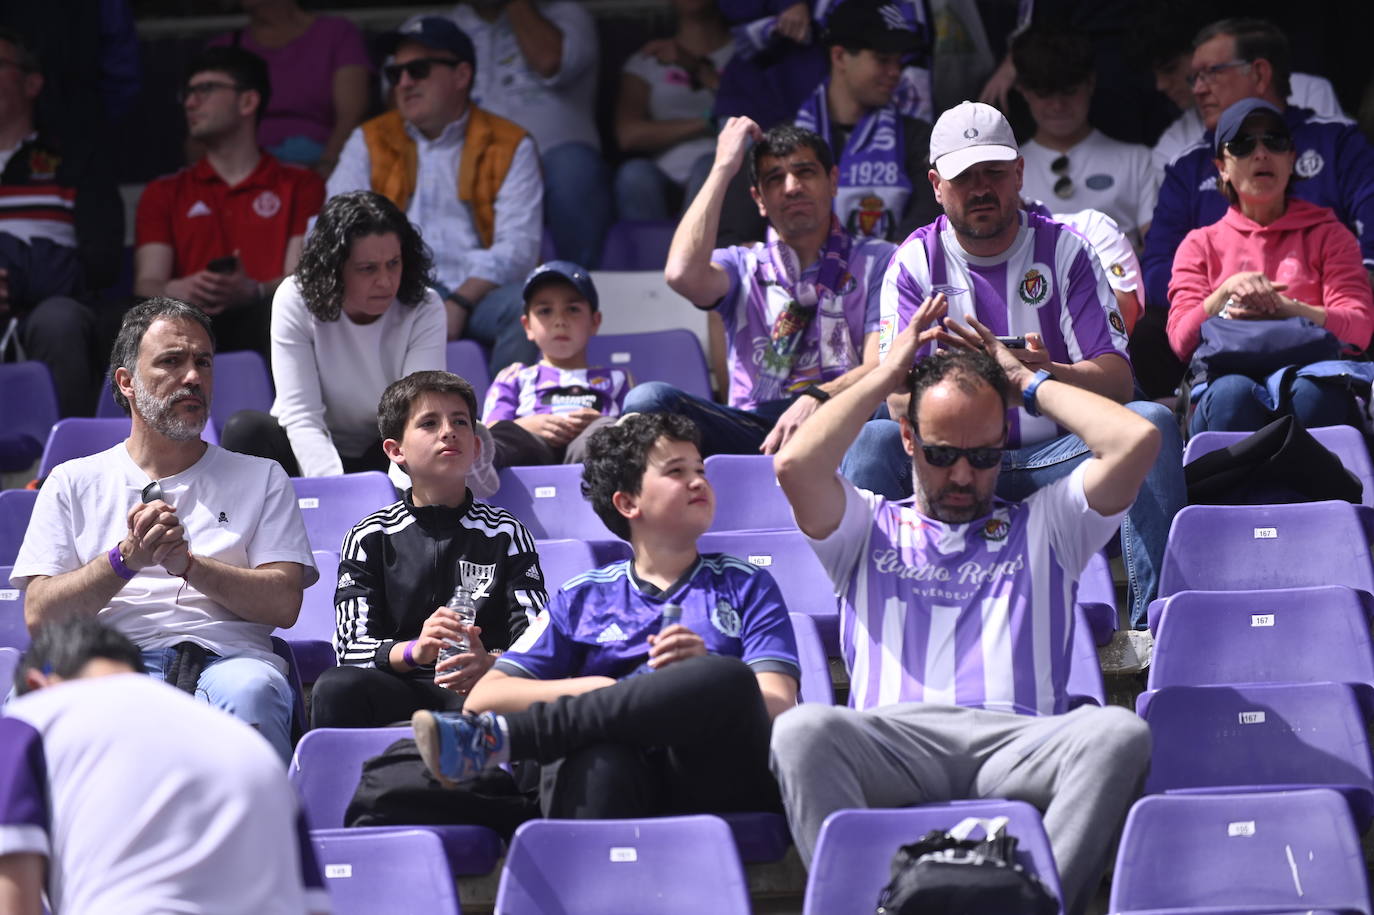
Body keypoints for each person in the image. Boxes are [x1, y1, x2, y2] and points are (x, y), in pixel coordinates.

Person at [769, 303, 1157, 915]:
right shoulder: (866, 525)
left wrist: (1029, 382)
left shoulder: (1050, 521)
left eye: (983, 457)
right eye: (942, 453)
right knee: (801, 731)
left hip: (1020, 742)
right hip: (894, 742)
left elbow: (1137, 438)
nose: (962, 475)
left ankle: (1038, 905)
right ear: (908, 440)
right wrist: (884, 372)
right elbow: (794, 464)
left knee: (1118, 733)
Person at [842, 101, 1184, 632]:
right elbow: (894, 400)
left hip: (1059, 459)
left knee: (1153, 422)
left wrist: (1038, 377)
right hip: (955, 464)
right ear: (936, 184)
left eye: (994, 173)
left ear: (1019, 173)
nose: (981, 188)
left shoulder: (1068, 251)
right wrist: (971, 381)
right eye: (964, 177)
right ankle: (868, 633)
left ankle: (1157, 634)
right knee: (872, 442)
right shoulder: (913, 262)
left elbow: (1118, 381)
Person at [410, 411, 799, 820]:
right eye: (676, 471)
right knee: (603, 756)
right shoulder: (584, 596)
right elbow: (489, 696)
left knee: (725, 676)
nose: (698, 480)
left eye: (699, 469)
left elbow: (775, 705)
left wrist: (694, 680)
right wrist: (607, 689)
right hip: (616, 779)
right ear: (628, 502)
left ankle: (503, 740)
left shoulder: (747, 584)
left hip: (713, 779)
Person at [9, 298, 318, 762]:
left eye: (203, 362)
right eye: (172, 361)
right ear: (127, 382)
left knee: (255, 691)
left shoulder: (263, 476)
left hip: (227, 661)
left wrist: (189, 566)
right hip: (105, 659)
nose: (192, 376)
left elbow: (284, 603)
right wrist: (124, 560)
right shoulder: (72, 481)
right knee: (30, 704)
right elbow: (40, 617)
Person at [0, 619, 329, 915]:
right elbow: (313, 905)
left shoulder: (31, 720)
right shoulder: (256, 751)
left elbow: (15, 900)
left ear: (36, 686)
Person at [634, 120, 894, 457]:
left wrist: (816, 398)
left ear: (832, 181)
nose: (792, 187)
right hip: (755, 430)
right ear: (758, 198)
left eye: (805, 172)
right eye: (775, 179)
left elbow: (881, 366)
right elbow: (681, 274)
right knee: (649, 401)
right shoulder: (742, 266)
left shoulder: (879, 260)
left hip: (844, 417)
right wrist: (723, 167)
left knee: (888, 417)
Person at [310, 370, 546, 729]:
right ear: (395, 451)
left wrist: (490, 662)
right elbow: (350, 649)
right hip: (398, 686)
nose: (448, 431)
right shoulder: (369, 535)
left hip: (480, 687)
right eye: (429, 423)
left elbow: (536, 643)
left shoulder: (507, 533)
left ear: (477, 446)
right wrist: (414, 650)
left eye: (460, 421)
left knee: (524, 696)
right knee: (335, 687)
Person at [327, 16, 541, 374]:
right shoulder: (368, 140)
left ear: (461, 76)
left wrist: (458, 301)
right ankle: (395, 426)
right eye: (396, 74)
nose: (404, 83)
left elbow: (519, 247)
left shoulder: (511, 143)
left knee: (530, 309)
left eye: (419, 70)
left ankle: (506, 425)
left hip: (479, 294)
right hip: (397, 290)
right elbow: (336, 226)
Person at [1142, 18, 1374, 342]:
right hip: (1222, 334)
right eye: (1241, 146)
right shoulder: (1187, 166)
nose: (1197, 88)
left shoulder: (1336, 141)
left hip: (1324, 331)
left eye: (1210, 73)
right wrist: (1233, 296)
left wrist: (1303, 305)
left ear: (1260, 73)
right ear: (1221, 166)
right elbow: (1155, 268)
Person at [1168, 99, 1374, 434]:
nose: (1261, 153)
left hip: (1315, 378)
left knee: (1313, 394)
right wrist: (1226, 291)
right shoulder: (1199, 244)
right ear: (1222, 166)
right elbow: (1180, 342)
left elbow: (1360, 329)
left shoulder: (1331, 234)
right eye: (1244, 145)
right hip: (1224, 385)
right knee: (1231, 396)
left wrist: (1288, 309)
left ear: (1291, 158)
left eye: (1274, 141)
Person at [218, 190, 446, 481]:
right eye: (368, 269)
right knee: (245, 429)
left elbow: (417, 414)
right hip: (308, 451)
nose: (386, 281)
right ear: (334, 270)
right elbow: (301, 415)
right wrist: (336, 495)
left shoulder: (425, 306)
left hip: (387, 449)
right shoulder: (294, 298)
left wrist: (396, 499)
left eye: (394, 263)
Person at [135, 47, 325, 356]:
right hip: (185, 327)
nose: (190, 103)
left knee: (289, 311)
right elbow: (147, 282)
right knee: (126, 319)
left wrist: (254, 290)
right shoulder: (163, 192)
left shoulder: (302, 185)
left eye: (205, 89)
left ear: (248, 101)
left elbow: (301, 279)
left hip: (265, 322)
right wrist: (177, 289)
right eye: (188, 93)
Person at [0, 27, 122, 417]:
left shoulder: (75, 162)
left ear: (32, 82)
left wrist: (14, 275)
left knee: (60, 319)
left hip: (49, 308)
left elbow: (101, 265)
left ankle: (67, 463)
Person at [448, 0, 610, 268]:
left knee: (574, 167)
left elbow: (549, 61)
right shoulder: (442, 27)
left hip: (556, 161)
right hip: (475, 164)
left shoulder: (567, 13)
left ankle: (577, 291)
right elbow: (406, 106)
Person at [792, 0, 938, 243]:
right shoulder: (784, 142)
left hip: (892, 277)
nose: (895, 72)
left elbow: (925, 227)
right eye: (883, 59)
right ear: (839, 57)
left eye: (898, 61)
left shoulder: (920, 139)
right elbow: (736, 232)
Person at [1012, 27, 1158, 249]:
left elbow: (1158, 251)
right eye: (1045, 94)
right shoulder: (1004, 171)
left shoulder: (1138, 160)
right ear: (1023, 91)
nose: (1058, 105)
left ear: (1090, 83)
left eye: (1069, 91)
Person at [483, 261, 629, 468]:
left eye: (572, 309)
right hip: (530, 450)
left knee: (608, 432)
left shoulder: (617, 378)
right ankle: (473, 479)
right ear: (527, 326)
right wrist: (527, 425)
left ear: (595, 322)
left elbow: (632, 430)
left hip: (590, 458)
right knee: (505, 436)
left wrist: (599, 421)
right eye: (545, 311)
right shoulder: (515, 376)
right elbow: (491, 430)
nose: (560, 321)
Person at [209, 0, 371, 175]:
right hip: (242, 174)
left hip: (320, 168)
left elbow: (351, 117)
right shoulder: (224, 48)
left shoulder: (338, 33)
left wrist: (326, 170)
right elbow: (204, 128)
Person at [613, 0, 734, 222]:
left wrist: (699, 70)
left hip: (724, 170)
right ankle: (649, 255)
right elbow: (628, 135)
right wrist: (708, 122)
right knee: (634, 175)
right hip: (663, 177)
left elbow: (757, 113)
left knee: (709, 167)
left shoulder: (742, 53)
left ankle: (694, 255)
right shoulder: (649, 58)